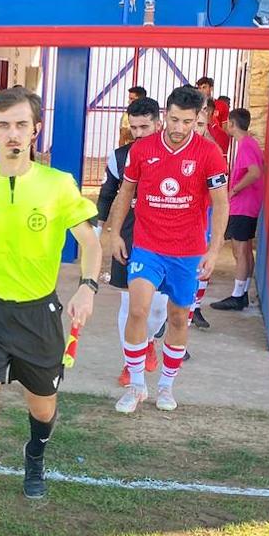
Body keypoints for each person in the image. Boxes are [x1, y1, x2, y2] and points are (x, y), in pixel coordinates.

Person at [0, 87, 100, 536]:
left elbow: (91, 244)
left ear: (35, 130)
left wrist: (87, 286)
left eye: (21, 125)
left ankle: (35, 452)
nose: (12, 134)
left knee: (43, 408)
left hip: (39, 316)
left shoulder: (59, 184)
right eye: (3, 126)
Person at [106, 85, 229, 414]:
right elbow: (124, 193)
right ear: (164, 117)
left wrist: (214, 250)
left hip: (187, 251)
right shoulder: (142, 150)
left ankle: (166, 386)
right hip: (147, 245)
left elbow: (221, 203)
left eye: (186, 122)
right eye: (173, 120)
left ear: (197, 119)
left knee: (177, 318)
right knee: (137, 310)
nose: (178, 128)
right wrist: (114, 232)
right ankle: (135, 384)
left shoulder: (209, 154)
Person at [97, 96, 167, 387]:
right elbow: (108, 193)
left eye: (144, 127)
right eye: (134, 127)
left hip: (166, 239)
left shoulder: (174, 154)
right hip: (130, 236)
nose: (138, 133)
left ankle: (148, 341)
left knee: (159, 308)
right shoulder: (119, 156)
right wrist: (103, 230)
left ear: (158, 123)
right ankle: (130, 363)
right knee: (129, 303)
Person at [211, 108, 263, 312]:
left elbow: (255, 173)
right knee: (245, 249)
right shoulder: (249, 144)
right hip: (249, 205)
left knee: (239, 250)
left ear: (232, 123)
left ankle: (237, 295)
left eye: (226, 123)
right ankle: (241, 292)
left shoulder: (246, 145)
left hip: (243, 205)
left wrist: (233, 190)